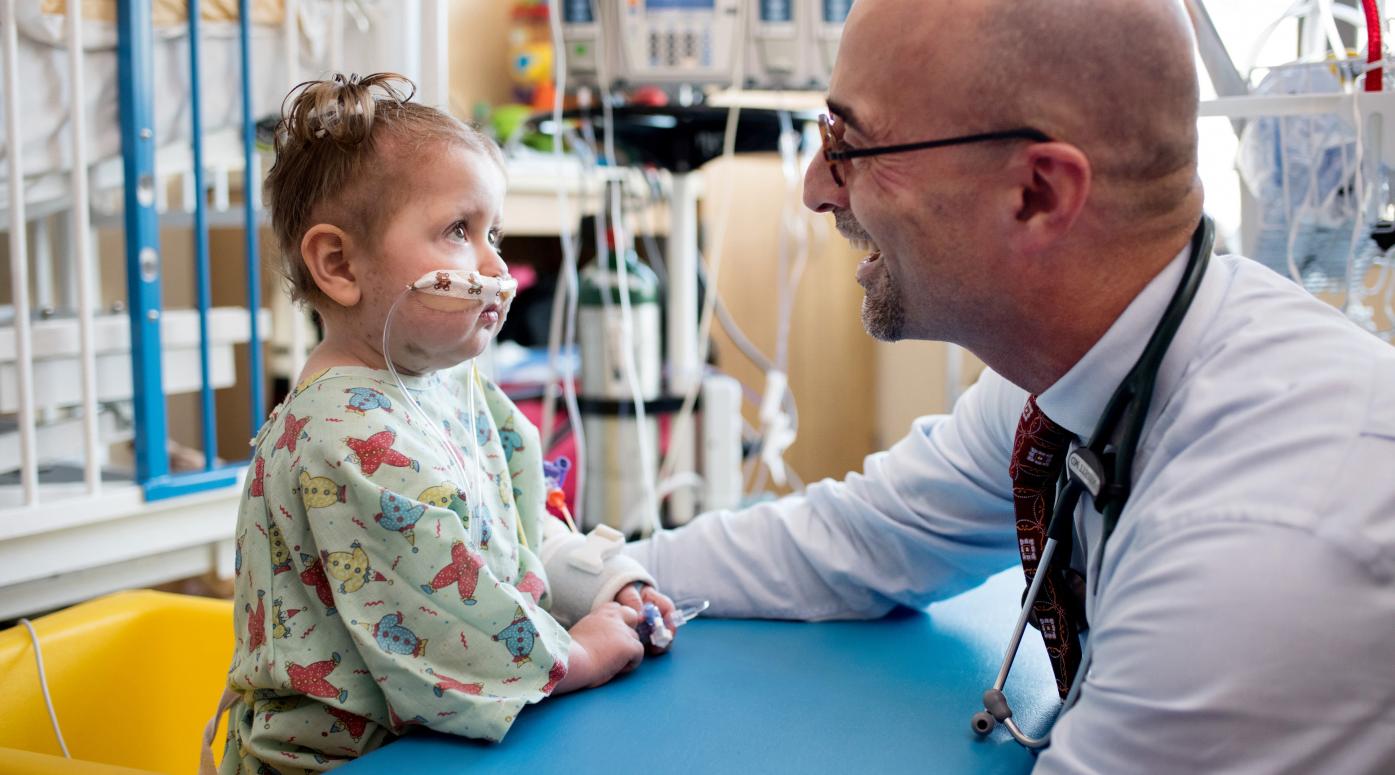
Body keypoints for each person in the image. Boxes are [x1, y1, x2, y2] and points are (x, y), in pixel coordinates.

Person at [623, 0, 1395, 771]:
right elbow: (860, 535)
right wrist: (584, 571)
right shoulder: (1077, 370)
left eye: (849, 142)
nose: (817, 187)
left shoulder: (1259, 558)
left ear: (1037, 194)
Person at [216, 73, 675, 773]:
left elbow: (510, 521)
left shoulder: (450, 385)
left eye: (495, 232)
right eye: (459, 231)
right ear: (339, 264)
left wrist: (603, 581)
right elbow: (444, 625)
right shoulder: (345, 439)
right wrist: (579, 653)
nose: (495, 266)